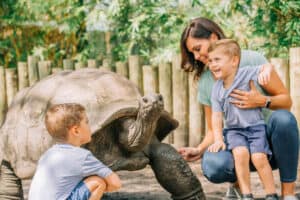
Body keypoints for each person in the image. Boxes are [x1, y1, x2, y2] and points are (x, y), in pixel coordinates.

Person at [178, 17, 299, 200]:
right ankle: (238, 188)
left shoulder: (252, 60)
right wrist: (199, 149)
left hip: (266, 141)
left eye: (197, 49)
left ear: (213, 37)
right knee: (214, 165)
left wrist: (261, 100)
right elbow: (213, 128)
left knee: (284, 119)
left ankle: (288, 193)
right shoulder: (207, 81)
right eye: (191, 53)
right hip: (237, 140)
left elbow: (286, 101)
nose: (195, 57)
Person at [207, 39, 278, 200]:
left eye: (217, 60)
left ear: (234, 60)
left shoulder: (246, 74)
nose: (212, 64)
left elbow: (267, 66)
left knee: (259, 157)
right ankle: (246, 194)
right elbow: (216, 116)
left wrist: (266, 71)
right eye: (210, 61)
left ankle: (271, 194)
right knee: (240, 154)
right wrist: (218, 139)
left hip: (256, 127)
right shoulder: (216, 89)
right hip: (234, 131)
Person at [29, 103, 121, 200]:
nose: (90, 126)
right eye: (87, 122)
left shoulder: (47, 155)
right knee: (97, 182)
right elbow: (116, 183)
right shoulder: (82, 156)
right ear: (76, 130)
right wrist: (106, 185)